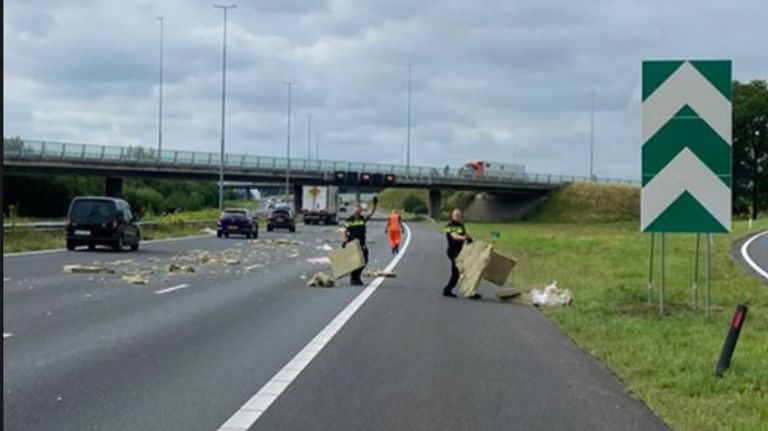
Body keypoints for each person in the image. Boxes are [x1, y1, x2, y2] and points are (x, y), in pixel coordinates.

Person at [443, 209, 480, 299]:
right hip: (453, 251)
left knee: (459, 272)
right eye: (456, 215)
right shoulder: (449, 225)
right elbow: (454, 236)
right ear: (452, 216)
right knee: (461, 271)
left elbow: (465, 233)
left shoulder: (461, 225)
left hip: (460, 251)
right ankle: (468, 292)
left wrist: (470, 238)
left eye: (459, 215)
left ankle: (449, 290)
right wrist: (464, 238)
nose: (457, 217)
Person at [343, 196, 378, 285]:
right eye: (356, 210)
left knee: (364, 260)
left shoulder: (363, 219)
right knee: (355, 261)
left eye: (359, 210)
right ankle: (354, 278)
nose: (357, 211)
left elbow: (370, 214)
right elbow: (345, 230)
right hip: (353, 243)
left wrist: (374, 205)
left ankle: (357, 276)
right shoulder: (349, 220)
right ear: (354, 211)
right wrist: (344, 240)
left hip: (362, 243)